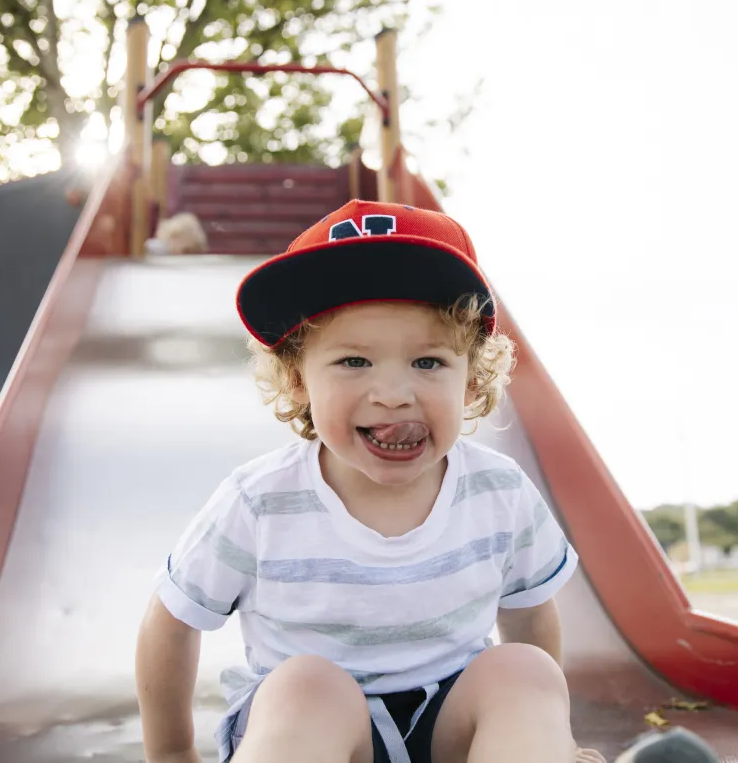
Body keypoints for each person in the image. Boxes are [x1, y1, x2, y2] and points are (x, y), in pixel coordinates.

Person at [136, 200, 606, 763]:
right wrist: (170, 754)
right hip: (315, 738)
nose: (392, 393)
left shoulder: (498, 492)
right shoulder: (260, 501)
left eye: (428, 362)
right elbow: (171, 623)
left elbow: (529, 617)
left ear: (472, 381)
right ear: (297, 379)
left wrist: (547, 734)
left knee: (523, 671)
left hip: (448, 729)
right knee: (306, 686)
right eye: (354, 361)